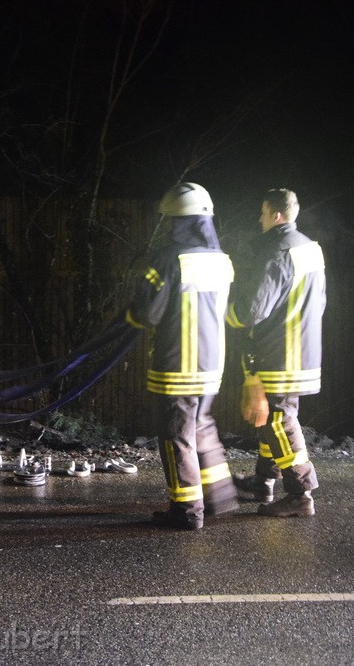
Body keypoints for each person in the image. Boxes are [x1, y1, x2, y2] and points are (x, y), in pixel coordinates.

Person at [123, 183, 237, 531]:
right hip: (212, 366)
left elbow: (147, 313)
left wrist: (130, 314)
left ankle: (186, 510)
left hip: (177, 366)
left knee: (177, 436)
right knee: (201, 427)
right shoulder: (222, 260)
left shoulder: (170, 259)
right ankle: (220, 496)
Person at [226, 188, 326, 517]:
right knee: (273, 418)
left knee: (279, 420)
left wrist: (225, 315)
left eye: (263, 212)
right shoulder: (310, 248)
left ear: (276, 216)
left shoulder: (277, 250)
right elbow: (320, 303)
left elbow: (253, 310)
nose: (259, 219)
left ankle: (300, 493)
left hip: (277, 352)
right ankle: (263, 480)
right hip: (302, 349)